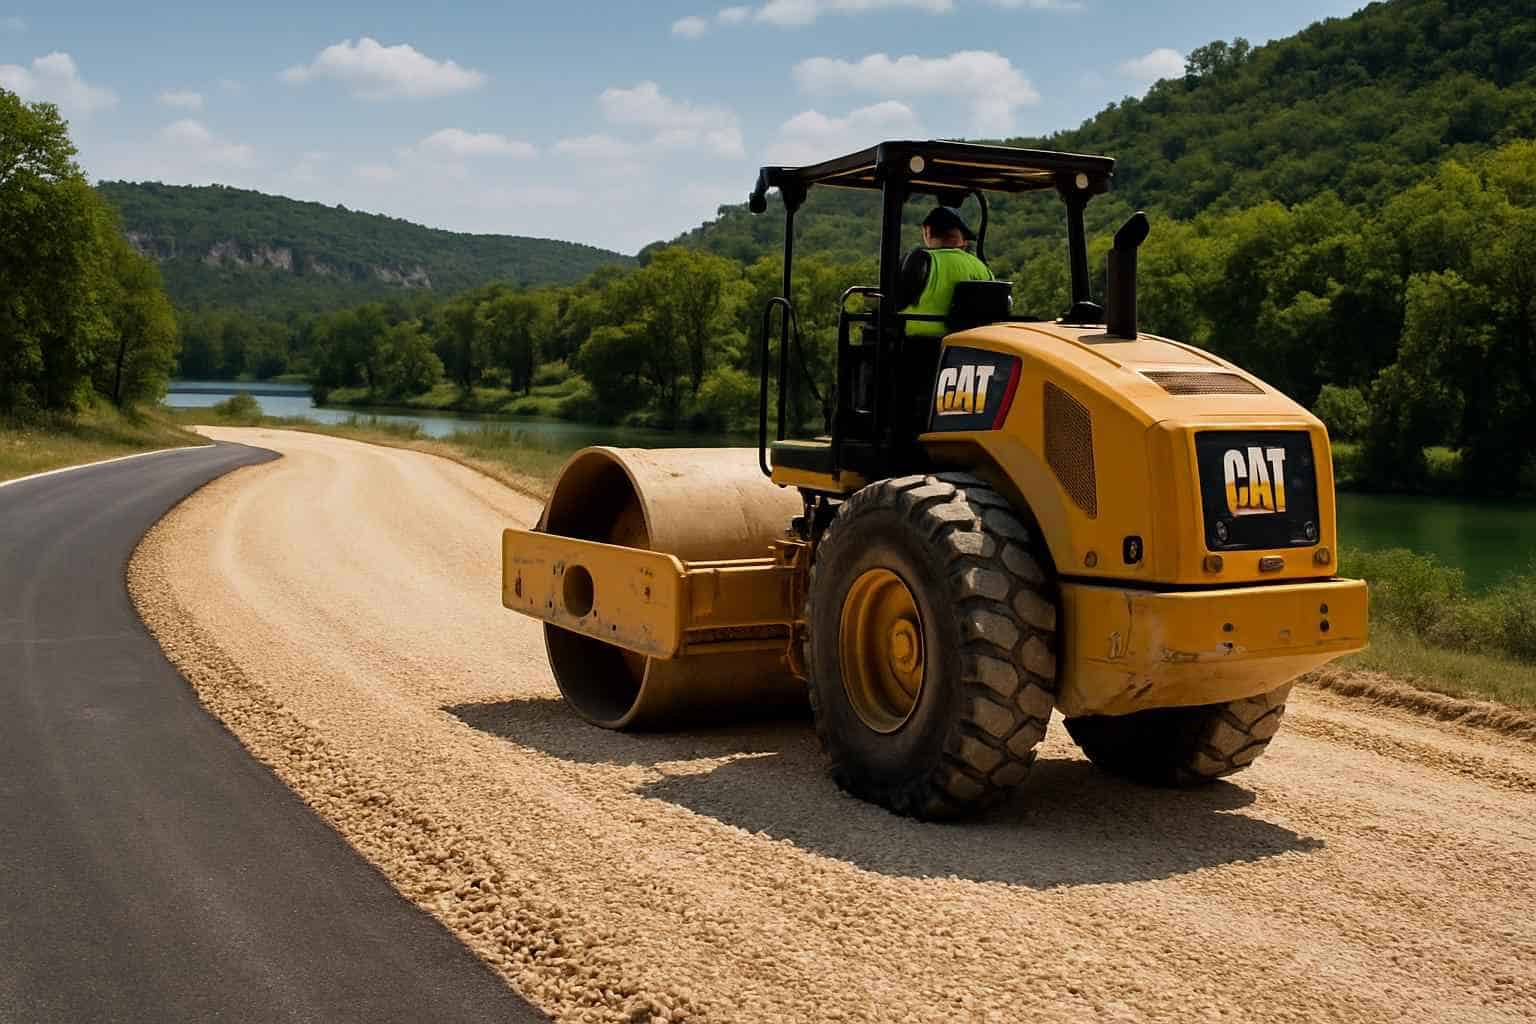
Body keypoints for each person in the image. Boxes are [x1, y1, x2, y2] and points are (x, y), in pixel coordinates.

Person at [897, 206, 993, 336]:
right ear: (960, 237)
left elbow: (895, 302)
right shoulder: (983, 268)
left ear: (928, 231)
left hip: (918, 346)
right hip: (970, 347)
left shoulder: (919, 260)